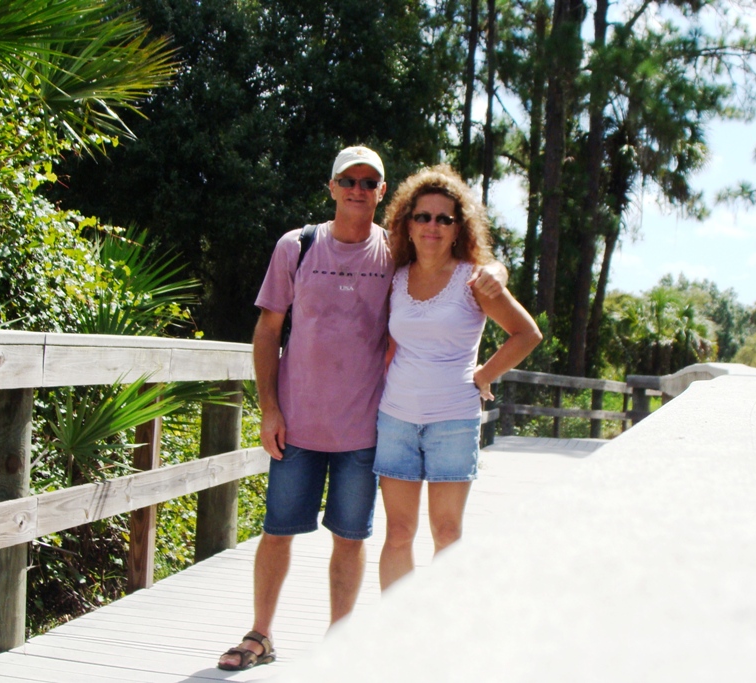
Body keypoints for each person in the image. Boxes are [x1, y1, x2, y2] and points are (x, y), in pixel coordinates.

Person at [218, 147, 508, 671]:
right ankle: (260, 635)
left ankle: (341, 644)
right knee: (277, 530)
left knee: (350, 538)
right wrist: (269, 409)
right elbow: (267, 330)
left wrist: (497, 270)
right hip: (296, 424)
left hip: (366, 428)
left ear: (382, 191)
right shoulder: (297, 246)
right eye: (347, 180)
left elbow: (452, 259)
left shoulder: (393, 253)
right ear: (331, 187)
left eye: (368, 181)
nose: (357, 189)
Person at [374, 164, 542, 591]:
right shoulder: (394, 278)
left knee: (447, 535)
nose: (432, 226)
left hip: (453, 421)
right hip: (396, 420)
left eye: (444, 219)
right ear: (407, 224)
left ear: (457, 228)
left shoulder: (474, 280)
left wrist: (485, 373)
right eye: (423, 216)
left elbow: (526, 334)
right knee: (398, 533)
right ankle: (395, 626)